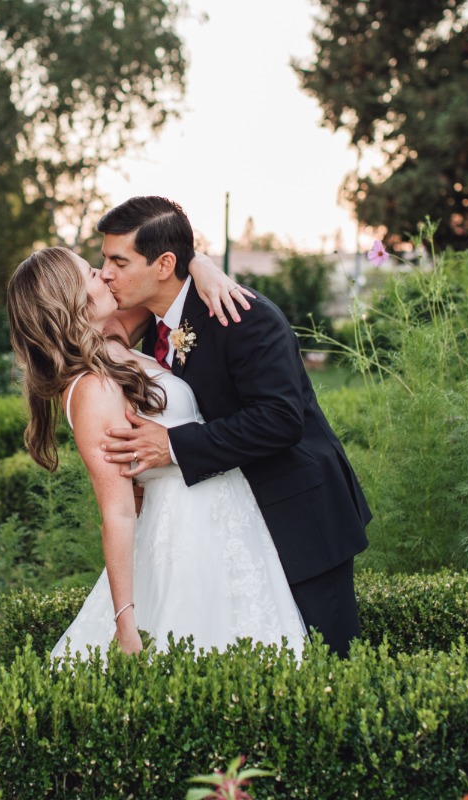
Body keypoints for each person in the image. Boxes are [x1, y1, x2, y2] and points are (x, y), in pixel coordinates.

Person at [96, 196, 372, 658]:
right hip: (230, 521)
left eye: (117, 261)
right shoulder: (153, 320)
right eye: (104, 260)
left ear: (164, 264)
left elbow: (281, 419)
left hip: (298, 515)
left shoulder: (244, 315)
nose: (105, 272)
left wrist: (173, 446)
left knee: (327, 664)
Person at [6, 246, 307, 658]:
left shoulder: (112, 341)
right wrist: (125, 619)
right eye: (93, 273)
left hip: (229, 520)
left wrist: (200, 265)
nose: (107, 276)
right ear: (69, 301)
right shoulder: (92, 389)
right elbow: (117, 511)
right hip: (184, 533)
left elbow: (165, 279)